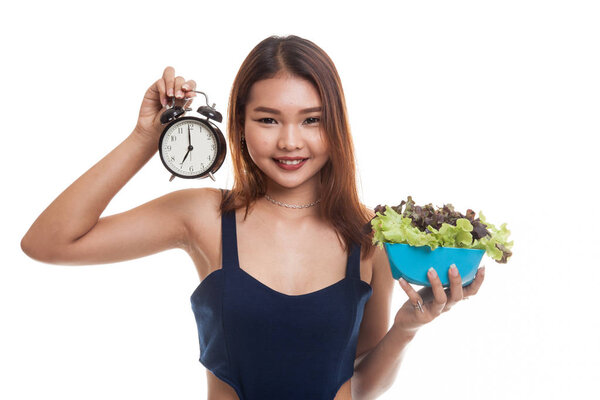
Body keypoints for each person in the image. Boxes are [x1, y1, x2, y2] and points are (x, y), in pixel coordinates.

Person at [21, 35, 485, 400]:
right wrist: (147, 137)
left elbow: (358, 386)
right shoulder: (204, 215)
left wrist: (407, 327)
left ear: (335, 126)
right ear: (239, 125)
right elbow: (48, 243)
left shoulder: (367, 232)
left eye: (311, 120)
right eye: (267, 120)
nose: (289, 142)